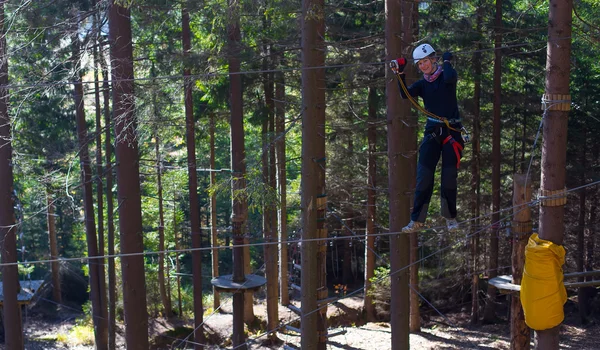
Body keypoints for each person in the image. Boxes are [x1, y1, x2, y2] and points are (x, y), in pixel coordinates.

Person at [390, 43, 467, 232]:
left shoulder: (447, 76)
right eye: (420, 64)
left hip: (452, 131)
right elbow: (405, 94)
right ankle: (417, 220)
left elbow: (449, 76)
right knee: (424, 176)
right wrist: (400, 73)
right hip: (433, 130)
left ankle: (450, 217)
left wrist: (447, 61)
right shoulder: (423, 84)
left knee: (449, 176)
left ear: (434, 59)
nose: (423, 66)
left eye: (425, 61)